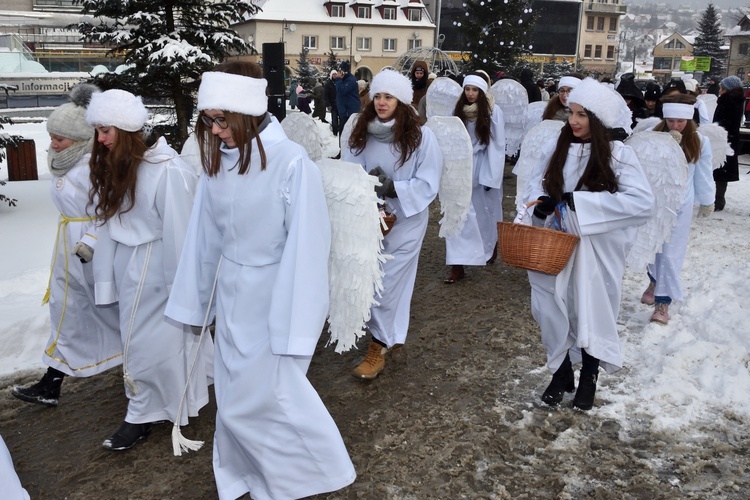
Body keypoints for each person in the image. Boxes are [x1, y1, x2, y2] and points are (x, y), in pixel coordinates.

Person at [165, 61, 356, 500]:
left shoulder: (291, 164)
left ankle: (303, 477)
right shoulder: (220, 161)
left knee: (266, 400)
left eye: (221, 120)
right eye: (208, 120)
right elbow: (203, 237)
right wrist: (197, 305)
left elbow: (307, 249)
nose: (214, 131)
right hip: (233, 298)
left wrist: (292, 327)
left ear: (247, 111)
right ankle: (244, 477)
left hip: (273, 300)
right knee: (233, 402)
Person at [85, 89, 211, 451]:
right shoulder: (122, 166)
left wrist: (184, 291)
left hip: (156, 270)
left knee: (148, 344)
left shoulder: (168, 171)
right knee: (147, 341)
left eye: (106, 130)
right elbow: (111, 224)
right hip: (131, 268)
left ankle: (141, 413)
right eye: (97, 130)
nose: (100, 139)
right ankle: (171, 398)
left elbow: (181, 233)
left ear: (126, 130)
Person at [522, 78, 654, 410]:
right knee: (547, 305)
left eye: (582, 114)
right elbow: (534, 187)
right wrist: (541, 208)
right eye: (571, 113)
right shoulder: (558, 148)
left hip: (596, 249)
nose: (575, 121)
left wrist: (585, 204)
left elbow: (641, 202)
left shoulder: (618, 154)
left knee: (590, 309)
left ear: (598, 120)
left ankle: (590, 375)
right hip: (554, 243)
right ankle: (562, 369)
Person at [12, 83, 121, 408]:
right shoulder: (66, 164)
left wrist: (90, 242)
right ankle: (52, 383)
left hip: (91, 254)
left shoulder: (93, 169)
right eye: (52, 136)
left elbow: (111, 210)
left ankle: (143, 362)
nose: (53, 144)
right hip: (68, 251)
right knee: (67, 311)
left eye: (59, 138)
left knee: (109, 311)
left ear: (80, 140)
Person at [343, 69, 443, 379]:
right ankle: (393, 335)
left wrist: (393, 188)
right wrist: (367, 190)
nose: (382, 102)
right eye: (377, 96)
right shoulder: (360, 131)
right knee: (379, 280)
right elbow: (350, 169)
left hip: (407, 221)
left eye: (389, 97)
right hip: (370, 218)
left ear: (401, 101)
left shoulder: (422, 137)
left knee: (384, 286)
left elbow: (429, 182)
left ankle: (377, 347)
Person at [640, 93, 714, 325]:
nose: (675, 125)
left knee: (671, 254)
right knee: (653, 248)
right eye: (671, 121)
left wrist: (707, 199)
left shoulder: (700, 141)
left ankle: (664, 301)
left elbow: (703, 173)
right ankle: (654, 279)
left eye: (680, 121)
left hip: (680, 206)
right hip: (656, 204)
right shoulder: (654, 136)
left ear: (689, 120)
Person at [444, 73, 505, 284]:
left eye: (475, 90)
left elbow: (497, 146)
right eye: (467, 89)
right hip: (461, 168)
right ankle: (457, 263)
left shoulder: (493, 111)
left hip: (481, 168)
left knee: (482, 214)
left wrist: (491, 176)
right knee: (458, 213)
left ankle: (489, 245)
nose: (470, 94)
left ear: (481, 92)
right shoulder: (457, 110)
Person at [712, 76, 744, 211]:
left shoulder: (728, 101)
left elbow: (723, 121)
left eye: (721, 87)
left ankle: (718, 201)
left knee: (720, 170)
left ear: (727, 89)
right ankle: (718, 199)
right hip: (728, 139)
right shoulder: (735, 100)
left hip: (724, 140)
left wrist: (715, 130)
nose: (719, 90)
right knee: (721, 171)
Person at [334, 60, 361, 129]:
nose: (338, 73)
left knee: (347, 133)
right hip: (345, 112)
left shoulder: (350, 80)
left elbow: (341, 90)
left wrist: (338, 79)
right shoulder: (344, 80)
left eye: (340, 71)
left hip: (349, 112)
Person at [324, 69, 340, 135]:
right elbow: (325, 95)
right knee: (334, 119)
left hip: (340, 104)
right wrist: (328, 104)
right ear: (331, 75)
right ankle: (335, 132)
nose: (335, 75)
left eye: (336, 74)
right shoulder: (328, 84)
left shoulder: (339, 82)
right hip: (332, 104)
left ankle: (340, 130)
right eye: (333, 74)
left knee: (341, 118)